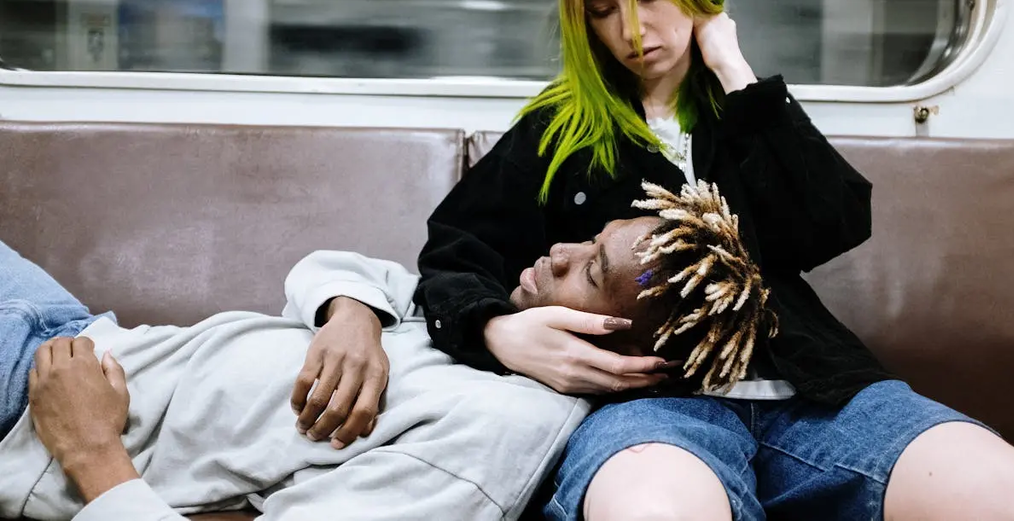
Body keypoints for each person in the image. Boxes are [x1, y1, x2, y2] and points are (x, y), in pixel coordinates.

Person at [412, 0, 1014, 519]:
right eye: (602, 9)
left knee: (994, 486)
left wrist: (731, 65)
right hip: (650, 404)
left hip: (811, 390)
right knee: (653, 506)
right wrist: (493, 330)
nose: (632, 30)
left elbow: (834, 220)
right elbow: (453, 255)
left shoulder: (745, 113)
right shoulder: (557, 129)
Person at [0, 182, 747, 521]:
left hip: (29, 407)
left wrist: (91, 450)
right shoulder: (506, 332)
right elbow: (356, 271)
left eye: (591, 271)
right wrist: (351, 313)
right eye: (587, 239)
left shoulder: (497, 437)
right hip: (73, 322)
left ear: (636, 357)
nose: (558, 252)